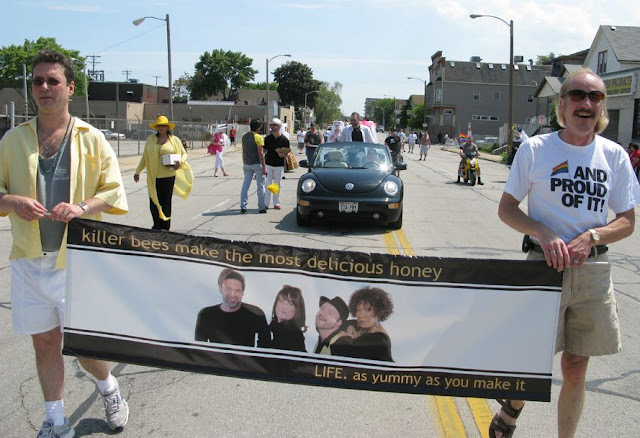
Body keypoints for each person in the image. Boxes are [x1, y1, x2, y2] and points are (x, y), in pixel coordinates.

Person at [495, 68, 640, 438]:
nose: (586, 102)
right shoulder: (536, 149)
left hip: (592, 271)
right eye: (577, 94)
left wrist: (592, 236)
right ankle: (512, 408)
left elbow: (627, 221)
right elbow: (507, 209)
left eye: (595, 96)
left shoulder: (614, 156)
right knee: (533, 357)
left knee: (576, 365)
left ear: (602, 107)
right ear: (562, 104)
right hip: (543, 268)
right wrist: (540, 230)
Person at [0, 49, 130, 437]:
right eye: (37, 81)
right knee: (44, 344)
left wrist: (81, 207)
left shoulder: (92, 138)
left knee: (84, 347)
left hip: (76, 261)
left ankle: (109, 388)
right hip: (29, 260)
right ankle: (55, 421)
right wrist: (13, 202)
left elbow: (113, 190)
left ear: (70, 88)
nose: (44, 87)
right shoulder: (13, 140)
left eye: (52, 80)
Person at [134, 115, 193, 230]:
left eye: (163, 126)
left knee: (165, 203)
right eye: (158, 126)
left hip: (168, 176)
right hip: (153, 176)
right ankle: (156, 226)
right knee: (153, 202)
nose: (160, 128)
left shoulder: (174, 140)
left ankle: (165, 228)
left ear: (167, 127)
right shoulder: (150, 139)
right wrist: (138, 172)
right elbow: (145, 157)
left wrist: (180, 162)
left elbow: (184, 154)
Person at [194, 268, 271, 347]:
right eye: (228, 289)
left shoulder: (255, 313)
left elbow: (266, 346)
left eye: (237, 290)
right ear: (220, 289)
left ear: (242, 292)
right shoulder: (206, 315)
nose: (233, 295)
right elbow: (199, 349)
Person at [336, 287, 394, 362]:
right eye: (358, 310)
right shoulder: (366, 326)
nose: (361, 315)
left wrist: (346, 336)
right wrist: (350, 327)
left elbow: (339, 350)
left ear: (379, 312)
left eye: (367, 310)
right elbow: (342, 323)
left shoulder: (379, 340)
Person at [240, 119, 267, 214]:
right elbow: (260, 153)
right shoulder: (258, 137)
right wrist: (264, 167)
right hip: (256, 163)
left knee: (245, 185)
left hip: (247, 163)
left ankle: (243, 206)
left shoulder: (244, 136)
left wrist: (244, 161)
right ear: (259, 127)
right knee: (260, 186)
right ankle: (261, 207)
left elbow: (244, 150)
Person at [269, 285, 307, 352]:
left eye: (290, 304)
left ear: (297, 310)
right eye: (281, 301)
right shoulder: (272, 329)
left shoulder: (294, 336)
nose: (284, 306)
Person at [263, 118, 288, 210]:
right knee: (268, 184)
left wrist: (283, 154)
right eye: (271, 125)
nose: (273, 127)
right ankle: (266, 203)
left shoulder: (284, 140)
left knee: (277, 184)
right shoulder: (268, 138)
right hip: (269, 163)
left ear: (279, 127)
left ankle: (276, 202)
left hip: (279, 164)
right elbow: (264, 150)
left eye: (275, 125)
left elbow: (287, 153)